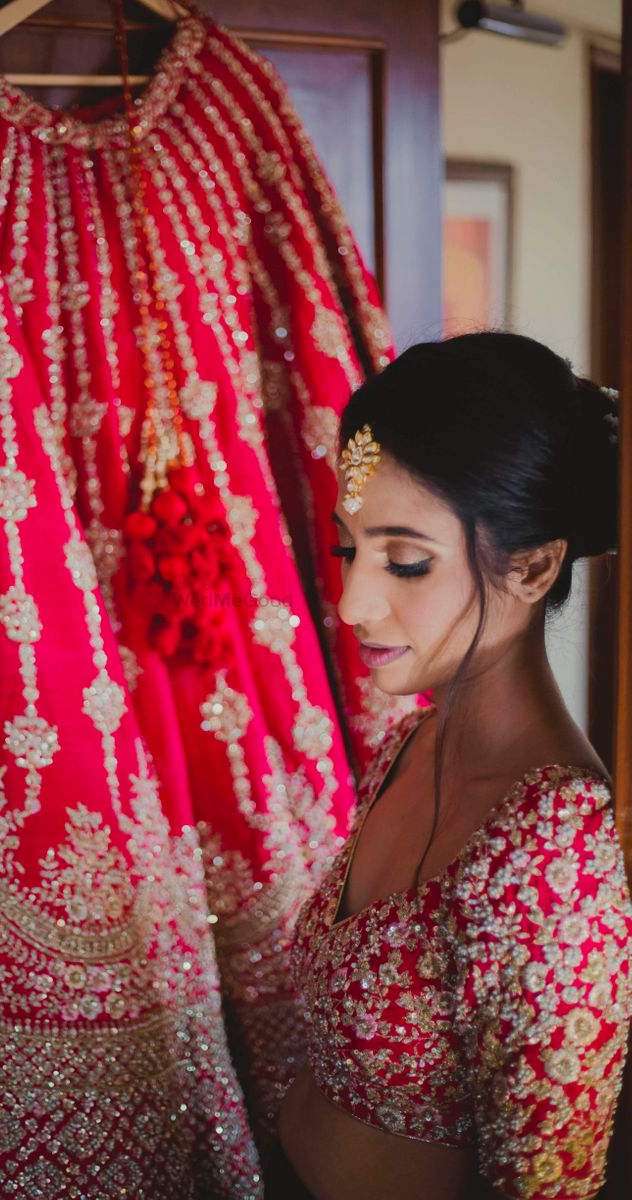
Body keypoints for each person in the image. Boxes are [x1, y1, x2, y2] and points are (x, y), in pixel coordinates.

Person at [275, 331, 632, 1200]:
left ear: (535, 565)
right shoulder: (412, 743)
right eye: (348, 549)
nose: (355, 601)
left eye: (405, 561)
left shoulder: (553, 847)